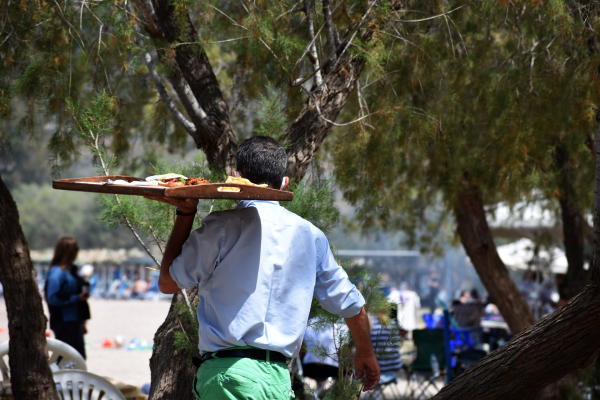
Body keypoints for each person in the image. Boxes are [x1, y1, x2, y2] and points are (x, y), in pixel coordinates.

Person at [146, 136, 380, 399]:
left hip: (228, 378)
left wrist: (186, 215)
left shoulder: (221, 226)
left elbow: (167, 282)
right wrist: (366, 352)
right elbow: (351, 303)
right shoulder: (311, 235)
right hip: (278, 381)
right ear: (284, 183)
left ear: (236, 176)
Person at [45, 237, 89, 359]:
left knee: (78, 358)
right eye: (75, 249)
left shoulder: (70, 270)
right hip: (64, 323)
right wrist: (76, 298)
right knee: (66, 359)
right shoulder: (56, 273)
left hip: (74, 322)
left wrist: (82, 322)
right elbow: (52, 298)